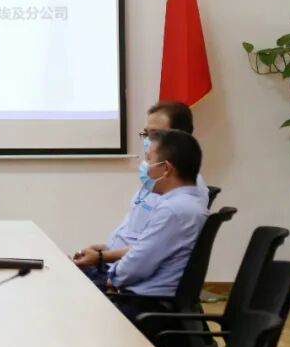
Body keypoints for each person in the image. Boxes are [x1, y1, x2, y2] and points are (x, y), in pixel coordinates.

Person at [73, 101, 209, 281]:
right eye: (145, 134)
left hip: (122, 275)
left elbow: (147, 253)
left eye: (154, 134)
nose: (147, 140)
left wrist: (104, 260)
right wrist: (106, 250)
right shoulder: (156, 181)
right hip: (114, 264)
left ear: (178, 138)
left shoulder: (180, 194)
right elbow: (140, 240)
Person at [106, 129, 208, 337]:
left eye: (148, 159)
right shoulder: (185, 204)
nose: (144, 166)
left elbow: (137, 265)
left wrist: (110, 277)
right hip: (155, 303)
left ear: (166, 168)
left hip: (146, 309)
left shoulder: (173, 210)